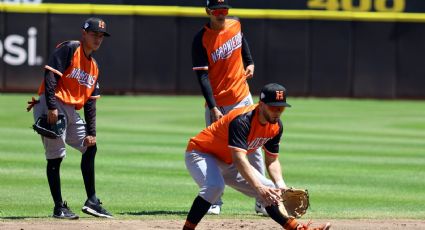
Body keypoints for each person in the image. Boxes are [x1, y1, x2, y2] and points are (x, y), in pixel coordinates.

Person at [183, 83, 331, 230]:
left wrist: (281, 185)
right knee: (215, 186)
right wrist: (259, 187)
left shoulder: (276, 126)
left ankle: (297, 229)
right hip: (200, 153)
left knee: (271, 190)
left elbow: (272, 160)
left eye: (281, 108)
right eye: (273, 107)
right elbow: (239, 159)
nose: (277, 112)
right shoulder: (242, 120)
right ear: (261, 104)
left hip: (227, 161)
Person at [28, 17, 112, 219]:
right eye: (94, 34)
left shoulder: (94, 67)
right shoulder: (70, 49)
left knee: (90, 146)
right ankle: (59, 207)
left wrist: (91, 133)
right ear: (84, 34)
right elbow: (50, 76)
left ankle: (91, 201)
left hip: (71, 111)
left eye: (101, 36)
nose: (98, 39)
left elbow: (91, 103)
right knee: (56, 156)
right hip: (52, 104)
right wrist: (51, 107)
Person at [192, 0, 266, 215]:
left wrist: (249, 61)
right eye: (217, 10)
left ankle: (263, 200)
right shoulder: (201, 39)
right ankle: (214, 201)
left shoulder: (235, 25)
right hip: (219, 103)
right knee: (215, 152)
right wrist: (213, 106)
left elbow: (242, 42)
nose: (221, 14)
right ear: (208, 11)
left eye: (224, 10)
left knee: (254, 149)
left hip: (242, 97)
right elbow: (202, 76)